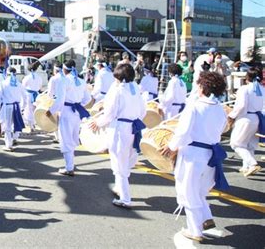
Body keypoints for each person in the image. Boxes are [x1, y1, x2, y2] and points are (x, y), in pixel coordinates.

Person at [161, 71, 229, 242]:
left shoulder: (195, 106)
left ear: (202, 87)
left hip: (193, 154)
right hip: (211, 154)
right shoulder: (220, 109)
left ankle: (194, 230)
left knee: (188, 190)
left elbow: (183, 132)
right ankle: (206, 220)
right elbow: (221, 131)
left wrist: (171, 146)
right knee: (200, 190)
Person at [89, 63, 146, 208]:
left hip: (119, 128)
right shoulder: (135, 89)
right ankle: (120, 188)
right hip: (133, 127)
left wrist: (98, 122)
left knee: (118, 162)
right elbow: (142, 112)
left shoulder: (118, 90)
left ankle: (125, 198)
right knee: (125, 160)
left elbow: (110, 113)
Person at [46, 60, 91, 176]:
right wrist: (79, 104)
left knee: (65, 139)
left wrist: (50, 111)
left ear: (64, 69)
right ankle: (70, 163)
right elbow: (88, 98)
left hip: (66, 112)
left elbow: (60, 100)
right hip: (77, 112)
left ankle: (69, 167)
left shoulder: (64, 81)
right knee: (72, 137)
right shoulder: (81, 81)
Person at [228, 67, 263, 177]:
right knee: (249, 144)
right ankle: (246, 166)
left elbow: (241, 105)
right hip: (257, 118)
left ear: (247, 77)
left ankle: (252, 164)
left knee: (236, 144)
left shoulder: (245, 89)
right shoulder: (262, 89)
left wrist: (231, 115)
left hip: (245, 118)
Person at [0, 67, 27, 151]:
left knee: (7, 126)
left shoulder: (3, 83)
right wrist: (23, 106)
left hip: (7, 106)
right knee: (16, 122)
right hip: (17, 106)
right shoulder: (18, 83)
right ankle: (15, 137)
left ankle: (8, 144)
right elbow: (25, 96)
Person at [46, 61, 66, 144]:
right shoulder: (66, 77)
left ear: (55, 70)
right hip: (67, 102)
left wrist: (48, 101)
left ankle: (58, 137)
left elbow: (50, 92)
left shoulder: (54, 78)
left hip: (56, 101)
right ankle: (62, 137)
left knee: (55, 119)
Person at [22, 62, 43, 132]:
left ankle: (31, 125)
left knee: (28, 110)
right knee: (35, 110)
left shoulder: (27, 77)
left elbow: (23, 86)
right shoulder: (39, 77)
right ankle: (33, 124)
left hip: (28, 95)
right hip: (36, 95)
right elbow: (40, 87)